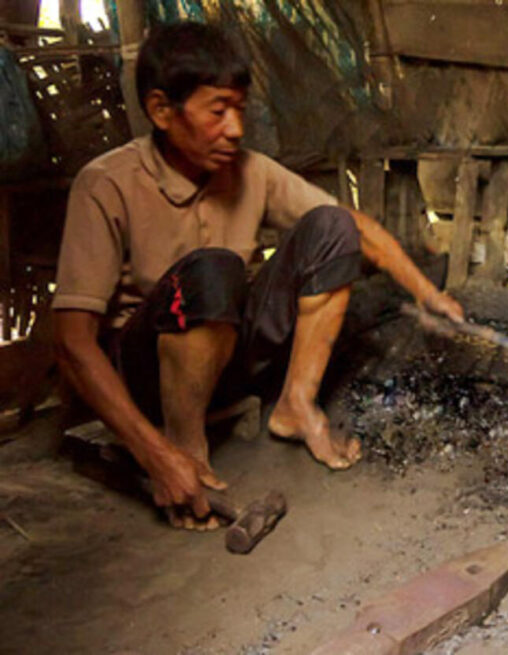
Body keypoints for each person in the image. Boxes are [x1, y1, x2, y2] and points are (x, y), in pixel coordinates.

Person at [52, 21, 463, 529]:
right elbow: (72, 342)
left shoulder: (250, 170)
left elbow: (355, 229)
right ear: (161, 110)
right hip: (146, 376)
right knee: (215, 268)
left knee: (333, 226)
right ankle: (187, 448)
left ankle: (296, 404)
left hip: (227, 357)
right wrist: (155, 456)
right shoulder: (105, 184)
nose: (236, 130)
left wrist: (429, 293)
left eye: (240, 111)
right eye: (218, 111)